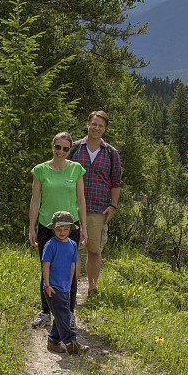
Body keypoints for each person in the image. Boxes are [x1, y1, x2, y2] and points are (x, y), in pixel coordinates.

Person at [29, 132, 87, 330]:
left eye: (65, 148)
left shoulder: (76, 170)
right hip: (46, 226)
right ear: (52, 146)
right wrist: (31, 227)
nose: (61, 151)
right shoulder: (40, 170)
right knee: (46, 268)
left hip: (70, 228)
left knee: (69, 270)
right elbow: (35, 200)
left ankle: (69, 313)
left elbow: (81, 200)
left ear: (70, 150)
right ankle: (46, 311)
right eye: (57, 147)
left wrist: (84, 228)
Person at [69, 110, 122, 297]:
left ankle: (92, 288)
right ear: (88, 124)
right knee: (73, 250)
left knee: (94, 251)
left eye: (101, 126)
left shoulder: (111, 153)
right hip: (73, 209)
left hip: (98, 209)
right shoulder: (74, 148)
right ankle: (71, 290)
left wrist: (113, 206)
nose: (97, 128)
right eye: (94, 124)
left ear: (105, 129)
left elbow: (116, 182)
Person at [40, 211, 88, 355]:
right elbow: (46, 265)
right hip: (53, 287)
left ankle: (53, 341)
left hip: (65, 286)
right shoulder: (50, 245)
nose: (62, 232)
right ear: (53, 229)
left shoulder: (73, 244)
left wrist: (70, 283)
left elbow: (73, 265)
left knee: (63, 315)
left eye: (65, 229)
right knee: (63, 316)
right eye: (59, 229)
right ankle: (71, 343)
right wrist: (47, 285)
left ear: (70, 229)